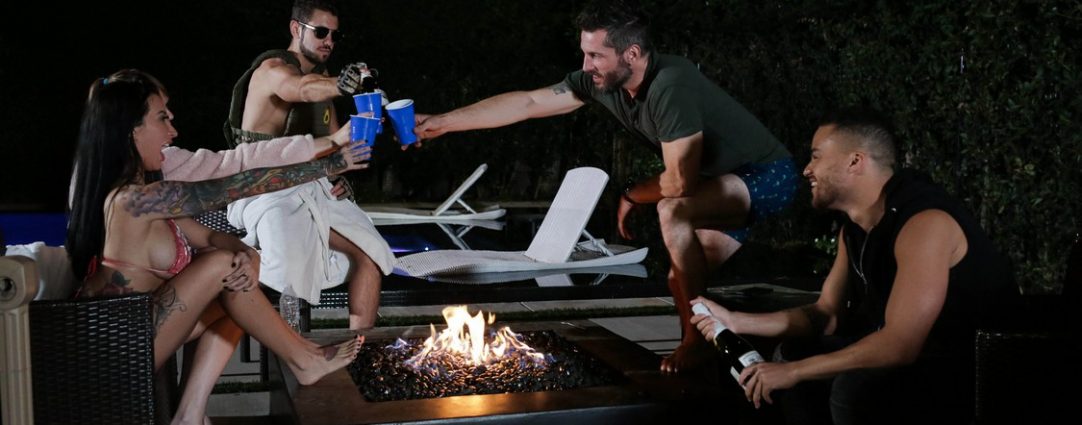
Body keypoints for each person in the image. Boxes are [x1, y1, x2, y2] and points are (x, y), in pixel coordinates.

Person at [412, 0, 797, 373]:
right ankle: (731, 347)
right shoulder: (602, 82)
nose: (586, 65)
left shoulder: (670, 85)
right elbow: (528, 103)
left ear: (632, 53)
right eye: (585, 53)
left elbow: (680, 182)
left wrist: (632, 194)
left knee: (672, 209)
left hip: (767, 176)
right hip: (719, 185)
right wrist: (443, 122)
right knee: (680, 278)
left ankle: (695, 345)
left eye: (596, 55)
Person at [66, 69, 368, 425]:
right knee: (223, 266)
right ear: (132, 130)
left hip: (139, 333)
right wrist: (330, 163)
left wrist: (247, 254)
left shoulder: (148, 197)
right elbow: (238, 184)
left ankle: (190, 415)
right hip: (115, 351)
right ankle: (305, 360)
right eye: (162, 119)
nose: (173, 132)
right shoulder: (134, 201)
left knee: (238, 278)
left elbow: (210, 237)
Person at [690, 109, 1021, 424]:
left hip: (974, 373)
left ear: (855, 161)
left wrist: (794, 372)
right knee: (793, 353)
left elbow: (900, 344)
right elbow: (826, 315)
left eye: (816, 156)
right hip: (922, 361)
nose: (807, 169)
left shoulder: (924, 222)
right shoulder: (856, 230)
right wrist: (735, 321)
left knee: (852, 386)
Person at [224, 0, 394, 330]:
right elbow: (298, 88)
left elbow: (334, 146)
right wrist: (341, 85)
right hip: (265, 187)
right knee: (290, 271)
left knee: (371, 257)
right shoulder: (272, 69)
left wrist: (342, 169)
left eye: (334, 35)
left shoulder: (322, 82)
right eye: (320, 32)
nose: (328, 41)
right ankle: (292, 351)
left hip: (311, 184)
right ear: (295, 28)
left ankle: (357, 351)